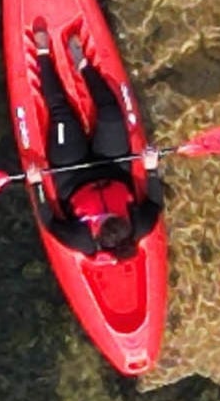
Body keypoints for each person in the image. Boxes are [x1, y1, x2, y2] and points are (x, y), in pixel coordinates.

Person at [30, 27, 158, 260]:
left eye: (102, 220)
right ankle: (82, 65)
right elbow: (155, 200)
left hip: (71, 175)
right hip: (113, 166)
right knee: (111, 113)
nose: (105, 215)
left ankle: (43, 53)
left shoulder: (81, 241)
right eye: (113, 216)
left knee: (61, 114)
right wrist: (151, 167)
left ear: (97, 233)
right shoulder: (141, 225)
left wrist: (37, 184)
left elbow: (48, 221)